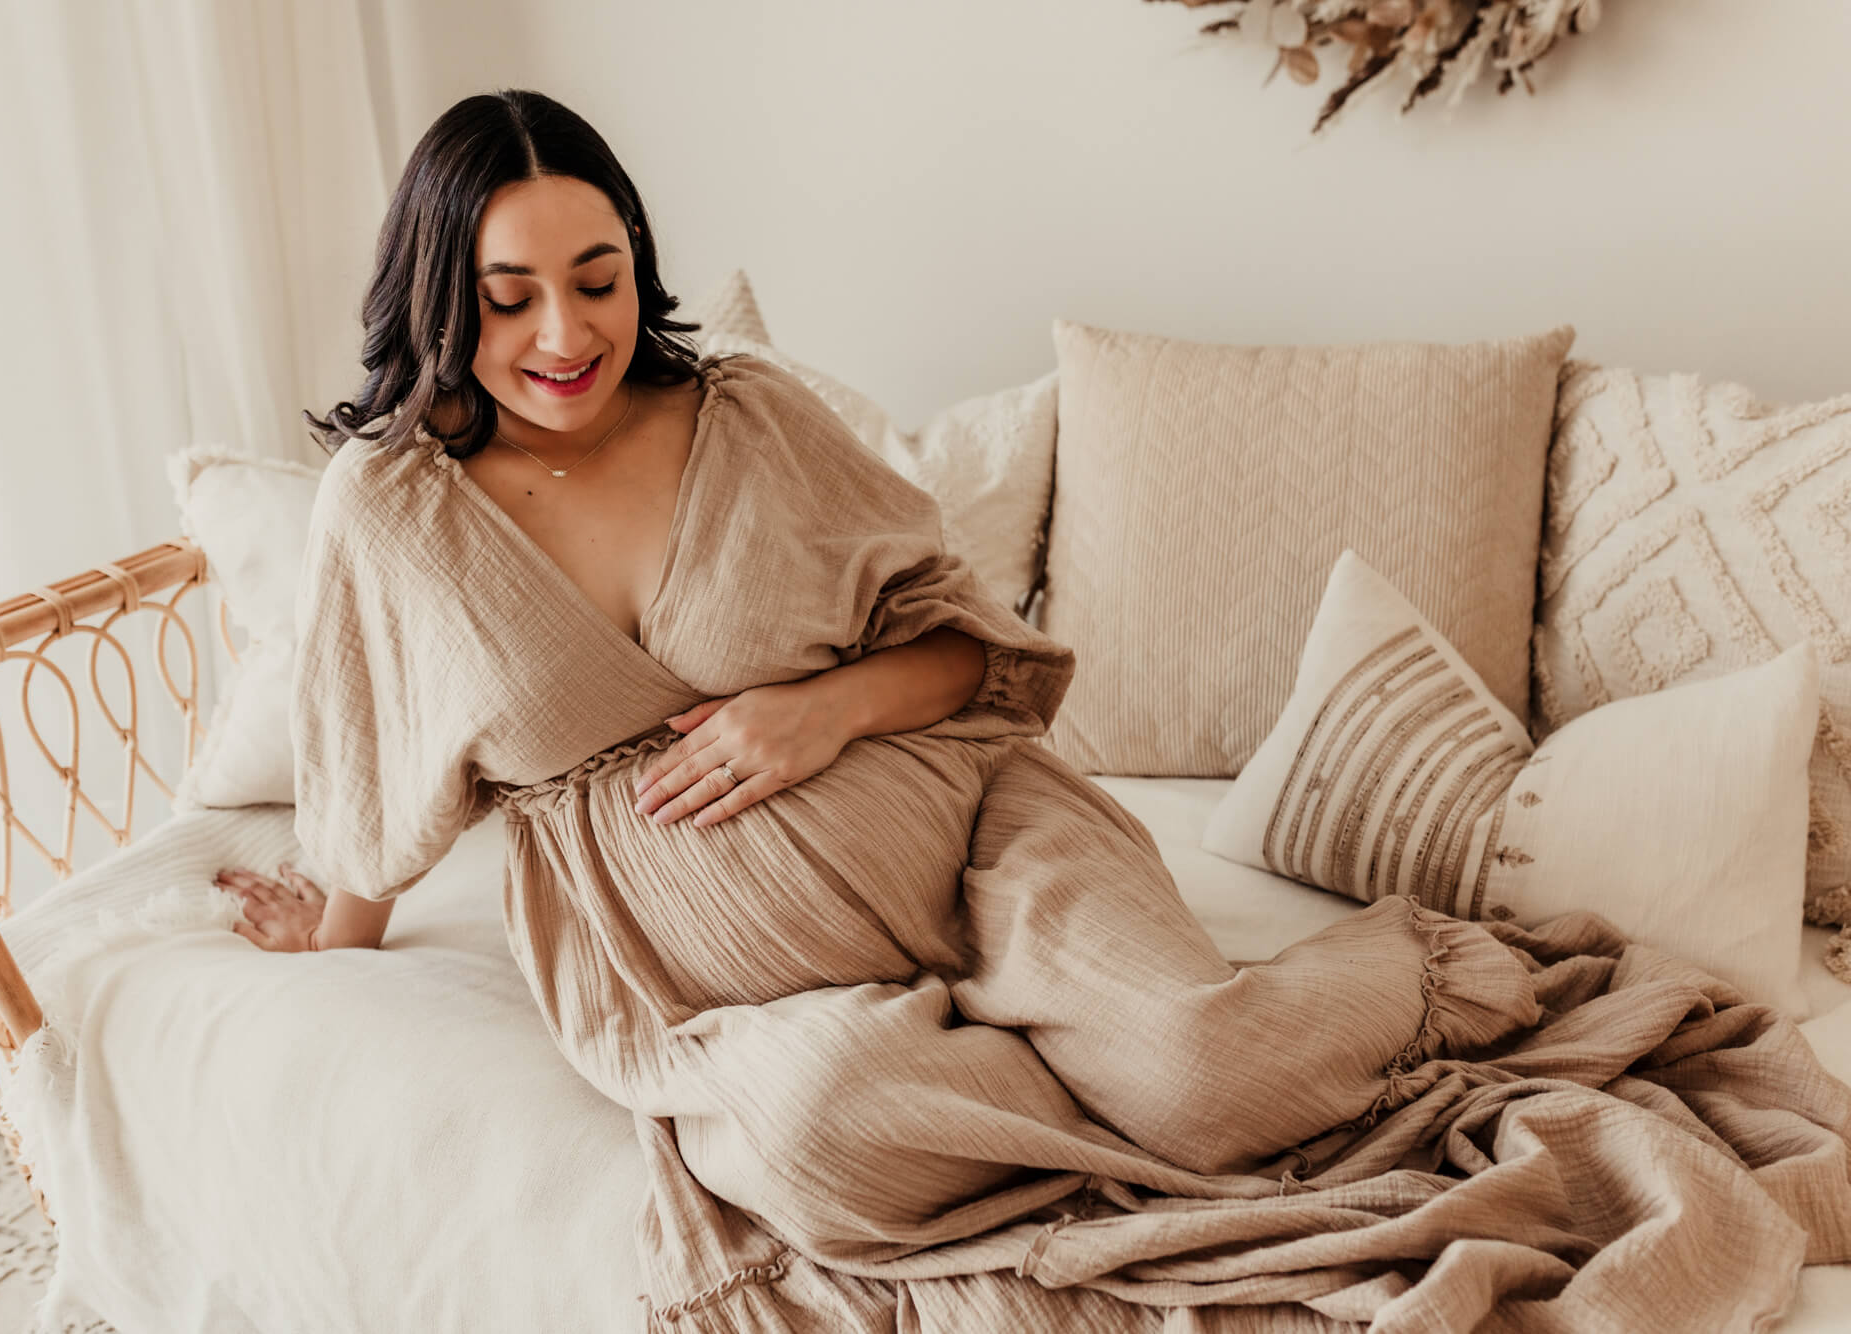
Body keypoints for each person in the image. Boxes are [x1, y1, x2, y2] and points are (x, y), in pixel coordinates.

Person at [209, 90, 1851, 1330]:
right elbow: (375, 775)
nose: (564, 332)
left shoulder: (752, 419)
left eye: (599, 275)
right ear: (438, 289)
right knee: (820, 1141)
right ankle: (1096, 1093)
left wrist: (823, 713)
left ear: (640, 264)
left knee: (1206, 1069)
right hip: (710, 968)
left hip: (975, 826)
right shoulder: (394, 513)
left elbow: (977, 659)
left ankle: (1416, 974)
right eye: (508, 294)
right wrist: (336, 926)